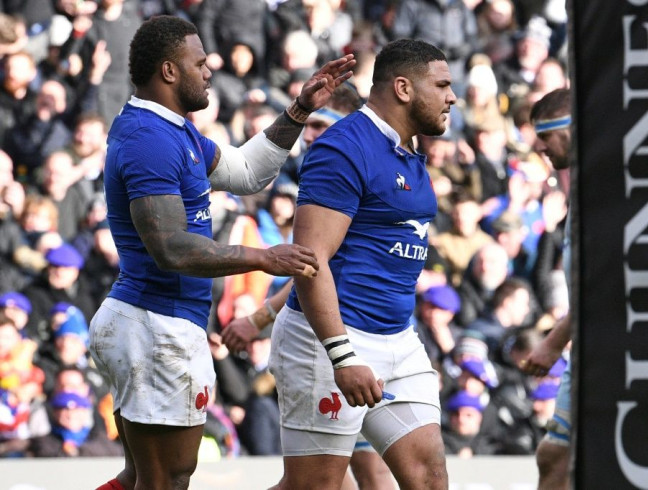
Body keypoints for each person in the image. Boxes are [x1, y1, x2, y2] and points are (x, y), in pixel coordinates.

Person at [86, 15, 355, 490]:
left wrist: (297, 111)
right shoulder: (149, 139)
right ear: (169, 72)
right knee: (167, 480)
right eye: (199, 62)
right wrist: (263, 257)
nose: (209, 71)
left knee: (143, 479)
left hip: (151, 325)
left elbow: (249, 171)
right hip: (155, 326)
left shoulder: (174, 132)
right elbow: (171, 248)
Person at [267, 38, 454, 490]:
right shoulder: (343, 149)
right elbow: (309, 261)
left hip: (398, 340)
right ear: (404, 88)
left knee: (429, 478)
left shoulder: (407, 149)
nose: (452, 96)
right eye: (443, 85)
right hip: (330, 342)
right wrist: (343, 355)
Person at [519, 88, 573, 489]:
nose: (543, 151)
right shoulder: (578, 197)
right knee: (554, 453)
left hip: (617, 351)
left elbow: (602, 284)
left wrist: (554, 342)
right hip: (588, 348)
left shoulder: (610, 195)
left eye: (546, 140)